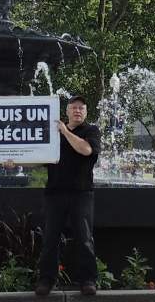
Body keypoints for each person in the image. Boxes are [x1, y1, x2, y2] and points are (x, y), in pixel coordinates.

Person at [28, 95, 102, 297]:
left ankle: (88, 280)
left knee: (84, 238)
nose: (77, 111)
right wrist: (14, 161)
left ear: (86, 112)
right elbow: (38, 159)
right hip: (55, 193)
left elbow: (86, 150)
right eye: (73, 107)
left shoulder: (91, 131)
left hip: (82, 194)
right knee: (50, 238)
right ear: (67, 111)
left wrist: (65, 131)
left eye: (81, 108)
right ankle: (46, 280)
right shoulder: (54, 133)